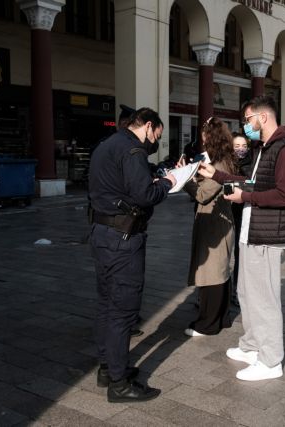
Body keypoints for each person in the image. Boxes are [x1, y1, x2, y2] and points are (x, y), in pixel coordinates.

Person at [198, 95, 285, 381]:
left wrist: (244, 197)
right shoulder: (265, 147)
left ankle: (270, 361)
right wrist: (218, 176)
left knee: (264, 298)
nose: (246, 125)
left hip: (268, 232)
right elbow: (253, 183)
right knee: (247, 293)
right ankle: (252, 345)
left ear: (263, 117)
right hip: (252, 229)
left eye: (248, 119)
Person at [88, 107, 176, 403]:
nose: (155, 142)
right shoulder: (133, 150)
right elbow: (145, 195)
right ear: (148, 126)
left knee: (107, 303)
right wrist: (167, 183)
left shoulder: (107, 144)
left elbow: (118, 183)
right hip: (123, 239)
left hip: (102, 233)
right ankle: (119, 384)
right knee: (123, 310)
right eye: (157, 136)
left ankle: (107, 368)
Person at [182, 117, 237, 336]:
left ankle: (208, 324)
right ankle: (221, 318)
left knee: (212, 273)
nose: (202, 140)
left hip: (216, 223)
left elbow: (203, 194)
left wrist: (184, 180)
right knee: (219, 271)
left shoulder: (220, 163)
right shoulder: (220, 159)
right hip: (216, 221)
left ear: (211, 137)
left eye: (205, 136)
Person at [230, 132, 252, 307]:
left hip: (243, 212)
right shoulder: (226, 163)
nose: (241, 149)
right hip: (226, 211)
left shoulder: (252, 162)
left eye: (244, 146)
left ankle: (237, 291)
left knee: (240, 254)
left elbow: (253, 184)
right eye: (237, 146)